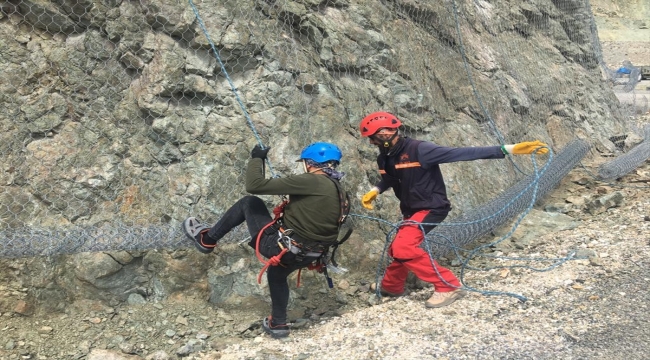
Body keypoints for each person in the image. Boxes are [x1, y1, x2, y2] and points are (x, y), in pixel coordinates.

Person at [358, 111, 548, 308]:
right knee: (398, 247)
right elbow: (389, 178)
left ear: (386, 133)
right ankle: (392, 286)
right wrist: (376, 190)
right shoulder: (385, 158)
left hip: (432, 207)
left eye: (374, 138)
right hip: (411, 210)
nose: (372, 143)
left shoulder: (420, 150)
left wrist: (510, 149)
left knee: (403, 247)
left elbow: (461, 153)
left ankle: (448, 286)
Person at [182, 142, 349, 338]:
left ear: (310, 163)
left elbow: (254, 186)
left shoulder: (311, 181)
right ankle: (278, 324)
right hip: (311, 253)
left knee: (249, 203)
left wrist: (257, 159)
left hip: (283, 247)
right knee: (277, 274)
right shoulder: (339, 189)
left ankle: (207, 240)